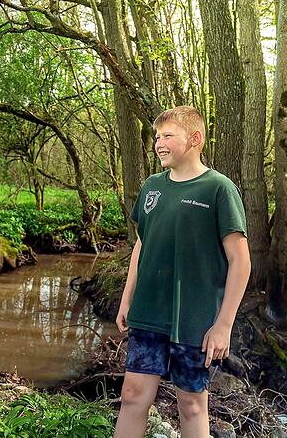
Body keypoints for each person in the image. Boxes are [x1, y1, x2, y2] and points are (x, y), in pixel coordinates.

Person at [114, 106, 250, 437]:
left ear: (195, 139)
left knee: (191, 405)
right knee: (133, 396)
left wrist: (223, 326)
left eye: (168, 136)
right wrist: (126, 298)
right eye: (157, 137)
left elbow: (241, 261)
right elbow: (141, 245)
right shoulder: (152, 187)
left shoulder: (218, 189)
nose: (159, 143)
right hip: (148, 313)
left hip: (194, 321)